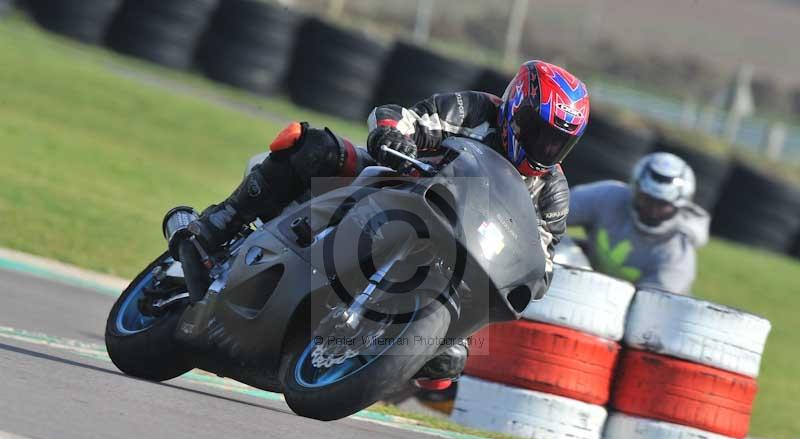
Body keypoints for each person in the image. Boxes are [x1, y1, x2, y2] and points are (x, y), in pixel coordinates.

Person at [179, 60, 590, 383]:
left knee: (453, 356)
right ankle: (220, 225)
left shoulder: (552, 191)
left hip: (459, 257)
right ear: (516, 108)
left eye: (559, 141)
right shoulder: (476, 110)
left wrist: (530, 276)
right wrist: (394, 136)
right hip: (402, 184)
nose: (545, 148)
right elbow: (405, 117)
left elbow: (541, 260)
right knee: (312, 146)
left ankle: (388, 352)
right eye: (538, 132)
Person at [566, 152, 710, 295]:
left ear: (680, 204)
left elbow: (652, 307)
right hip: (584, 284)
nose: (653, 211)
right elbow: (549, 212)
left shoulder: (677, 255)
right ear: (635, 191)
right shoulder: (607, 196)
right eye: (647, 200)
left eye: (662, 205)